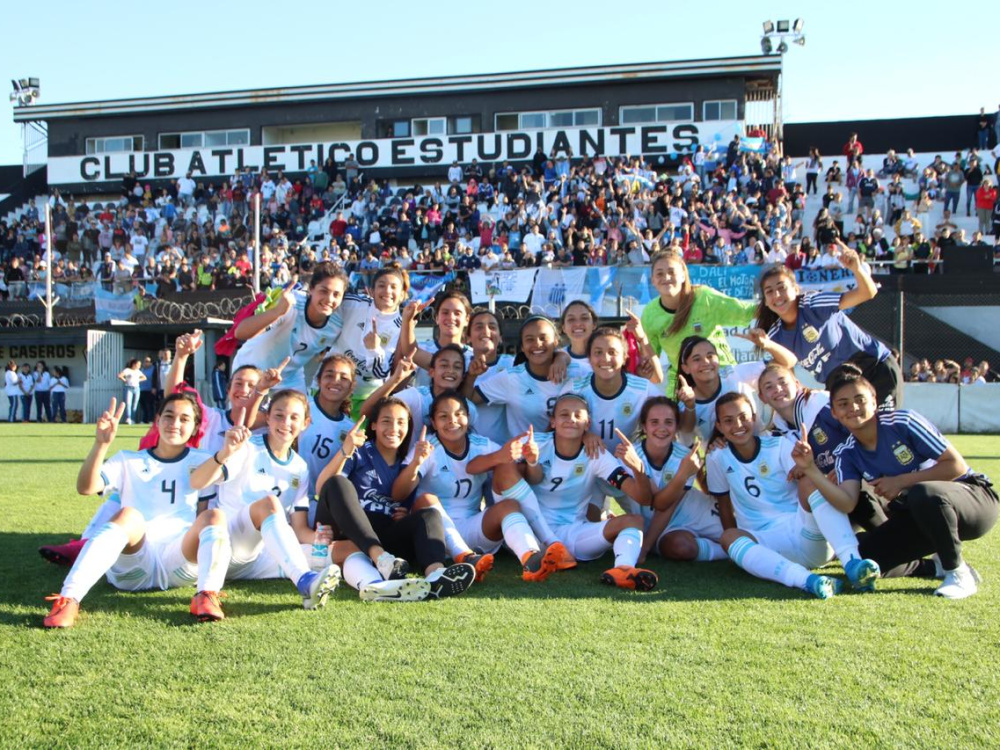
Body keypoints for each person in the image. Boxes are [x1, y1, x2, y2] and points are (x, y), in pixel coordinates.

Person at [797, 368, 998, 600]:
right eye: (843, 404)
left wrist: (901, 482)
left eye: (860, 399)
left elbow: (956, 466)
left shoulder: (903, 422)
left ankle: (957, 572)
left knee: (924, 492)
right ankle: (936, 566)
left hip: (974, 501)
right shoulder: (846, 453)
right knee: (866, 556)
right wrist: (810, 469)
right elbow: (848, 502)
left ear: (874, 401)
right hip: (920, 516)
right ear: (834, 413)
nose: (852, 407)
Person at [42, 394, 232, 628]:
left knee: (214, 516)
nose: (175, 424)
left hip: (180, 565)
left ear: (195, 428)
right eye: (169, 416)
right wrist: (101, 444)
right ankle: (68, 600)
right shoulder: (128, 460)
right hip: (133, 568)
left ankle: (207, 594)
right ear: (157, 420)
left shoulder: (204, 460)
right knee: (128, 515)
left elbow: (203, 512)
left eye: (184, 419)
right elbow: (86, 488)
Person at [706, 392, 879, 599]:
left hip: (804, 533)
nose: (738, 425)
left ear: (754, 417)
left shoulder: (779, 445)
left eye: (743, 417)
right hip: (765, 544)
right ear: (719, 426)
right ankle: (808, 581)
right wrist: (734, 550)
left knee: (810, 480)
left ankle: (852, 562)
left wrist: (807, 467)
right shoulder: (716, 457)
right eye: (728, 421)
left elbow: (807, 477)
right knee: (728, 536)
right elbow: (724, 504)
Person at [392, 390, 571, 583]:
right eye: (443, 416)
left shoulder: (482, 444)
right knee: (426, 499)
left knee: (509, 501)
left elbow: (527, 476)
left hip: (473, 528)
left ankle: (531, 557)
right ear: (434, 423)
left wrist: (531, 460)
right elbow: (398, 494)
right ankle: (465, 557)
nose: (452, 420)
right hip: (435, 535)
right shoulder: (427, 447)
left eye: (459, 414)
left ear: (468, 418)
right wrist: (416, 463)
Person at [313, 397, 477, 600]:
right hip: (348, 531)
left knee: (429, 515)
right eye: (386, 421)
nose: (394, 428)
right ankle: (379, 557)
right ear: (374, 424)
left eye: (401, 422)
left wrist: (416, 465)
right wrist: (345, 451)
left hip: (385, 537)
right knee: (337, 482)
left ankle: (436, 576)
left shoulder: (408, 462)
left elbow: (406, 503)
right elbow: (323, 489)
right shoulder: (359, 453)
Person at [189, 391, 341, 610]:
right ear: (267, 418)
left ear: (305, 423)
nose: (285, 423)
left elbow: (299, 529)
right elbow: (197, 481)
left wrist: (318, 538)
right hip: (227, 548)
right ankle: (305, 581)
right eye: (279, 415)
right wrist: (224, 453)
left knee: (345, 550)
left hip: (262, 558)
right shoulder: (247, 448)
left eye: (294, 417)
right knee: (269, 504)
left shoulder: (300, 467)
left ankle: (375, 581)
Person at [521, 393, 658, 590]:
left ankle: (623, 569)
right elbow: (504, 476)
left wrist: (637, 468)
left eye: (578, 415)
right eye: (564, 414)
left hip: (573, 535)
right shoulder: (535, 443)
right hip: (532, 535)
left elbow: (643, 498)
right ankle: (534, 553)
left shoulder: (596, 454)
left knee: (635, 521)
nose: (571, 419)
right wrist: (531, 462)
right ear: (553, 421)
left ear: (588, 424)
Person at [758, 243, 901, 410]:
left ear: (796, 289)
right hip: (839, 385)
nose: (776, 295)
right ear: (765, 302)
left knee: (884, 424)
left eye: (781, 287)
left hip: (874, 368)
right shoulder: (775, 336)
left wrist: (856, 269)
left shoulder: (812, 303)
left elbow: (867, 293)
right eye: (769, 291)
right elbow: (784, 374)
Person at [640, 250, 757, 395]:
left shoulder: (704, 297)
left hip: (722, 375)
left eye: (671, 272)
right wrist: (640, 342)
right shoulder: (649, 314)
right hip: (683, 384)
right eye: (659, 274)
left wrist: (779, 305)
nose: (666, 278)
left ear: (683, 275)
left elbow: (746, 312)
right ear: (652, 280)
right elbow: (651, 365)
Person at [632, 397, 725, 563]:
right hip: (664, 526)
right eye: (654, 422)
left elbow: (666, 506)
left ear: (676, 427)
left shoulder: (685, 456)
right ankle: (726, 551)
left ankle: (732, 550)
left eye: (669, 422)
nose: (662, 428)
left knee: (741, 534)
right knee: (680, 547)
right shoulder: (632, 455)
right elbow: (653, 501)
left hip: (696, 512)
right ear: (644, 427)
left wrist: (644, 548)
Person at [232, 262, 348, 394]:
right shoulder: (290, 303)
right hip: (252, 370)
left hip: (289, 379)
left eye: (336, 294)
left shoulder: (336, 325)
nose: (329, 299)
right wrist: (277, 312)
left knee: (299, 407)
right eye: (323, 291)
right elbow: (240, 333)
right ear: (311, 289)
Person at [674, 331, 796, 442]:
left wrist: (767, 344)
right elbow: (685, 434)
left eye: (710, 356)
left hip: (766, 451)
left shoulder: (734, 373)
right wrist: (690, 406)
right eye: (697, 359)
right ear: (686, 368)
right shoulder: (686, 405)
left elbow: (788, 362)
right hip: (721, 459)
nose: (705, 362)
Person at [118, 359, 146, 426]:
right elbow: (120, 375)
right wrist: (125, 380)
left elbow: (144, 378)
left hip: (136, 388)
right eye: (138, 364)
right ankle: (128, 418)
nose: (139, 366)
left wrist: (138, 380)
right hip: (129, 387)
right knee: (128, 403)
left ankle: (132, 419)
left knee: (135, 404)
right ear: (134, 364)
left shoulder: (138, 371)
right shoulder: (127, 370)